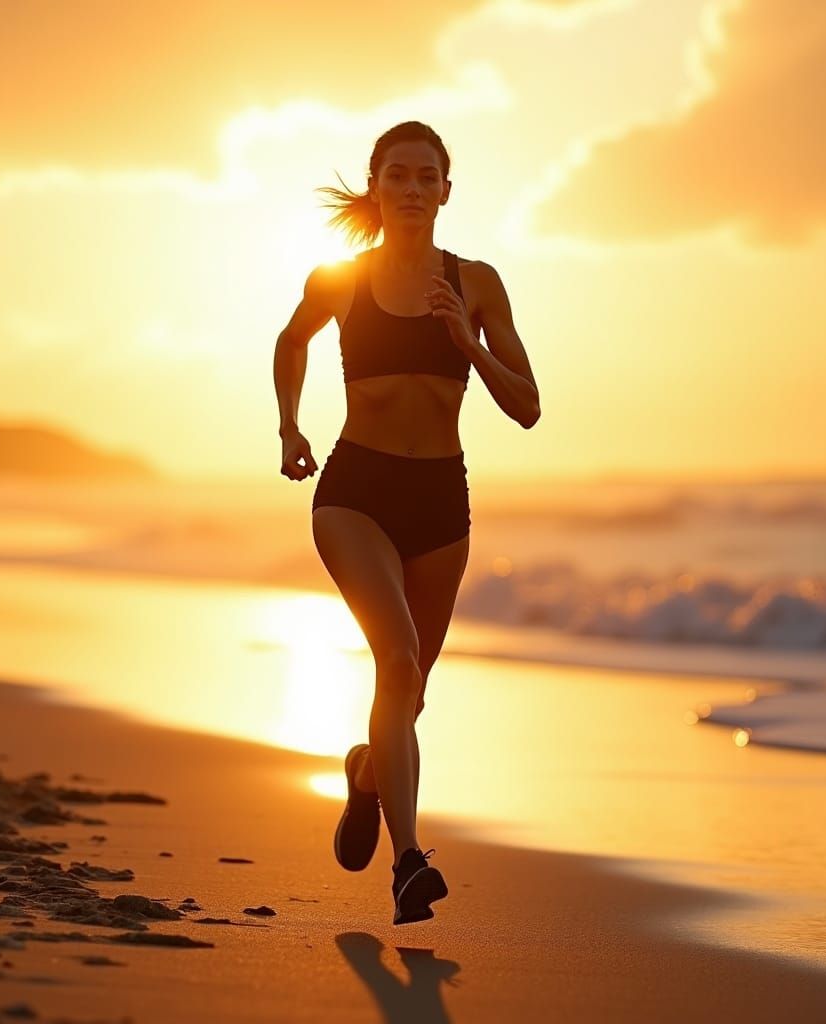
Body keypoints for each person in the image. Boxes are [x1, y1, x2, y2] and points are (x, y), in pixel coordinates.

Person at [273, 121, 540, 925]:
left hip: (439, 500)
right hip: (355, 491)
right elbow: (292, 339)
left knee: (409, 689)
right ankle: (409, 863)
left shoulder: (478, 283)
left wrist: (468, 340)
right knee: (398, 655)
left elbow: (527, 406)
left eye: (430, 177)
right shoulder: (340, 279)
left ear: (447, 192)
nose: (415, 189)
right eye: (400, 175)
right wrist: (289, 426)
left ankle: (364, 776)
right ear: (377, 186)